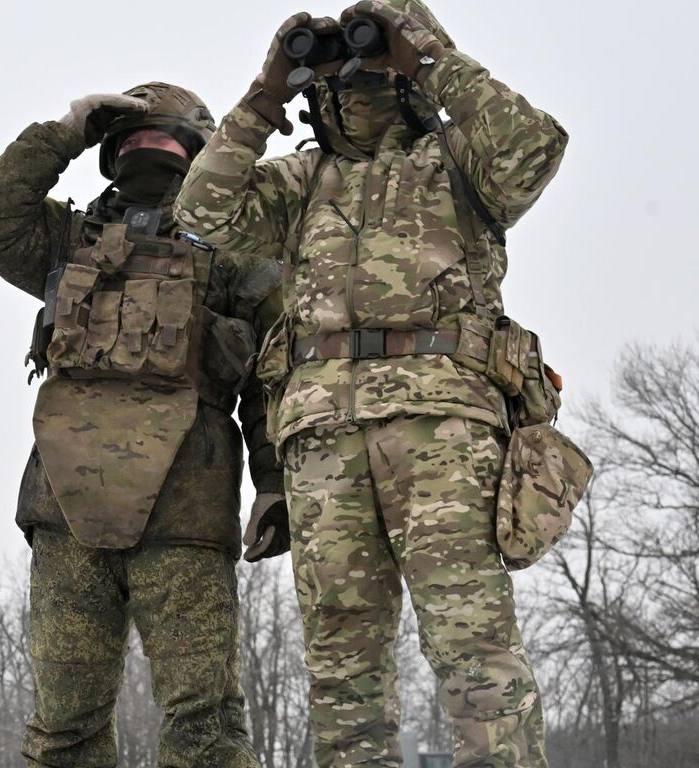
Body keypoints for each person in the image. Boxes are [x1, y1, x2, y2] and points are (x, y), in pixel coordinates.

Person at [173, 2, 568, 765]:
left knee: (472, 650)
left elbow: (533, 147)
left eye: (371, 61)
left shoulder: (458, 162)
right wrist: (264, 95)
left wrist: (427, 53)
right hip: (322, 442)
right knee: (341, 673)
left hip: (443, 429)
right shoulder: (301, 181)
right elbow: (202, 212)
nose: (356, 80)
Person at [0, 82, 284, 767]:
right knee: (65, 728)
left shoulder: (233, 249)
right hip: (66, 516)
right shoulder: (68, 240)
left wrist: (276, 485)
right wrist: (62, 134)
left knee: (204, 726)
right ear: (108, 153)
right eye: (134, 141)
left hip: (185, 517)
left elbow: (270, 378)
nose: (149, 156)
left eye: (164, 143)